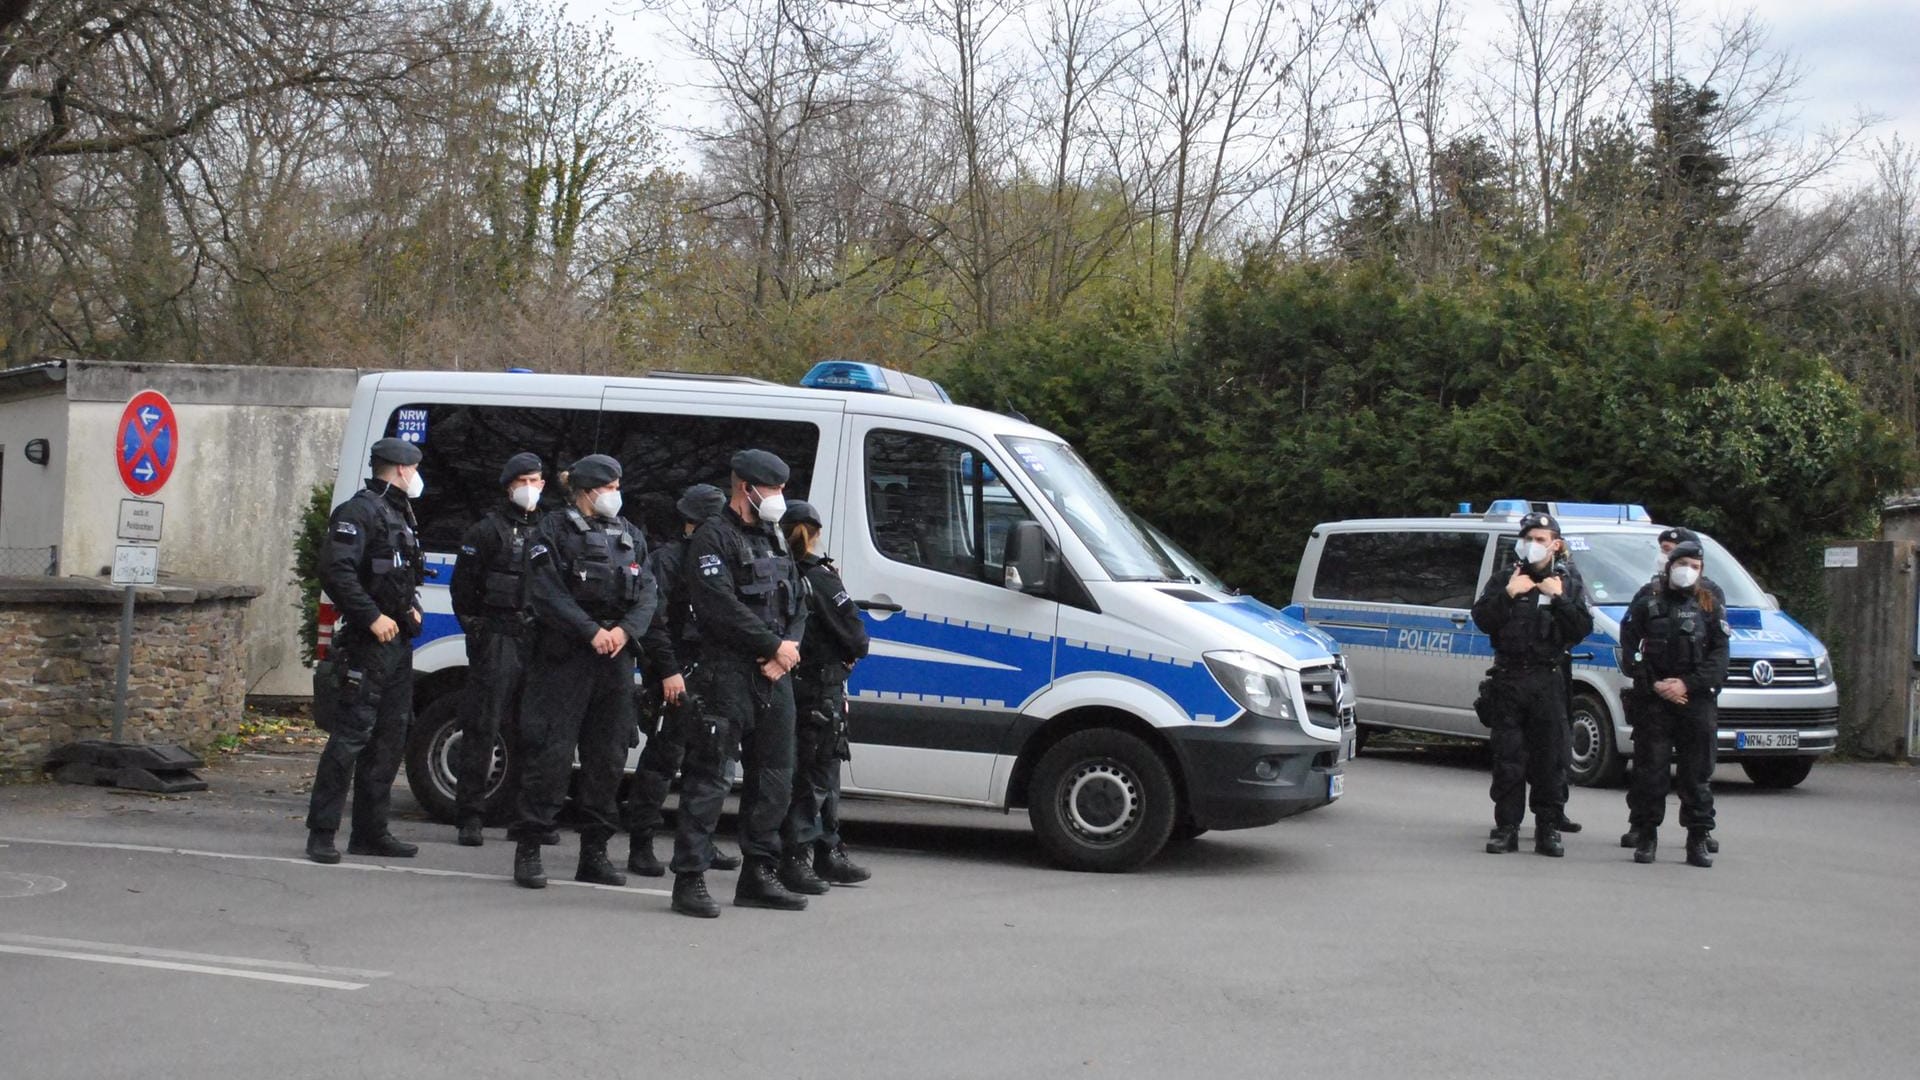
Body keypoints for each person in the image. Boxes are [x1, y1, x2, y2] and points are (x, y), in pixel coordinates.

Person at [669, 449, 809, 918]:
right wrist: (773, 646)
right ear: (745, 487)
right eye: (773, 489)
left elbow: (798, 600)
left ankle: (759, 875)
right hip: (727, 674)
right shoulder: (713, 537)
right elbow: (718, 607)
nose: (779, 497)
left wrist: (786, 650)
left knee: (774, 778)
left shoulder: (773, 537)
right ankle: (690, 878)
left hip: (774, 676)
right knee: (710, 778)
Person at [510, 454, 658, 890]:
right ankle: (530, 848)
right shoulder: (552, 531)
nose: (616, 494)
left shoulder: (630, 534)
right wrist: (590, 630)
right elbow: (546, 592)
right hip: (563, 658)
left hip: (614, 660)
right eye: (610, 487)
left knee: (608, 759)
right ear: (589, 491)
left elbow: (648, 592)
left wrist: (624, 632)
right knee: (551, 756)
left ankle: (594, 852)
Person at [306, 437, 427, 864]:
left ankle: (371, 832)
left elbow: (402, 575)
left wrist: (411, 608)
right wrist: (372, 617)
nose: (417, 477)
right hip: (366, 644)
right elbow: (335, 571)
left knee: (389, 739)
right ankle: (322, 832)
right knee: (350, 738)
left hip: (397, 645)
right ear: (399, 470)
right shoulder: (359, 511)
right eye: (413, 470)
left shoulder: (399, 512)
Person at [622, 483, 743, 877]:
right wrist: (669, 672)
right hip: (675, 673)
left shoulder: (722, 558)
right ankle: (641, 843)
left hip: (712, 672)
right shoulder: (669, 561)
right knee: (662, 762)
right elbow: (653, 624)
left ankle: (699, 844)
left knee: (708, 764)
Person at [1470, 511, 1594, 857]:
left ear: (1555, 544)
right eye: (1528, 539)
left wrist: (1560, 599)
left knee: (1550, 759)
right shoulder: (1504, 580)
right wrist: (1508, 594)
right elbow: (1481, 620)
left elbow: (1582, 629)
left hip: (1548, 678)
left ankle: (1548, 829)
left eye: (1541, 540)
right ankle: (1506, 828)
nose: (1533, 545)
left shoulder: (1566, 582)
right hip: (1509, 678)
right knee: (1508, 759)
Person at [447, 451, 544, 847]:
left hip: (536, 640)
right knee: (483, 725)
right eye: (525, 480)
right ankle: (470, 815)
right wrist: (478, 630)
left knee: (534, 730)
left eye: (537, 480)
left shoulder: (550, 528)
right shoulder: (486, 531)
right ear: (510, 486)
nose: (532, 487)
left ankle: (525, 817)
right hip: (498, 637)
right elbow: (462, 590)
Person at [1619, 540, 1730, 868]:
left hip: (1695, 701)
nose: (1688, 571)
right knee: (1651, 771)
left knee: (1697, 774)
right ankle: (1647, 835)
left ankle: (1697, 839)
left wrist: (1687, 684)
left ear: (1702, 570)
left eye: (1695, 566)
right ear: (1669, 566)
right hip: (1654, 701)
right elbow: (1631, 649)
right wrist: (1652, 682)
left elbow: (1719, 656)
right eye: (1682, 564)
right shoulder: (1647, 603)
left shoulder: (1710, 605)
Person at [780, 500, 873, 887]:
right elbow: (855, 636)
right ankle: (806, 855)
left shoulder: (779, 569)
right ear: (815, 534)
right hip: (821, 687)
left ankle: (825, 851)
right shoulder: (820, 577)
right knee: (819, 775)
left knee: (807, 772)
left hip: (792, 683)